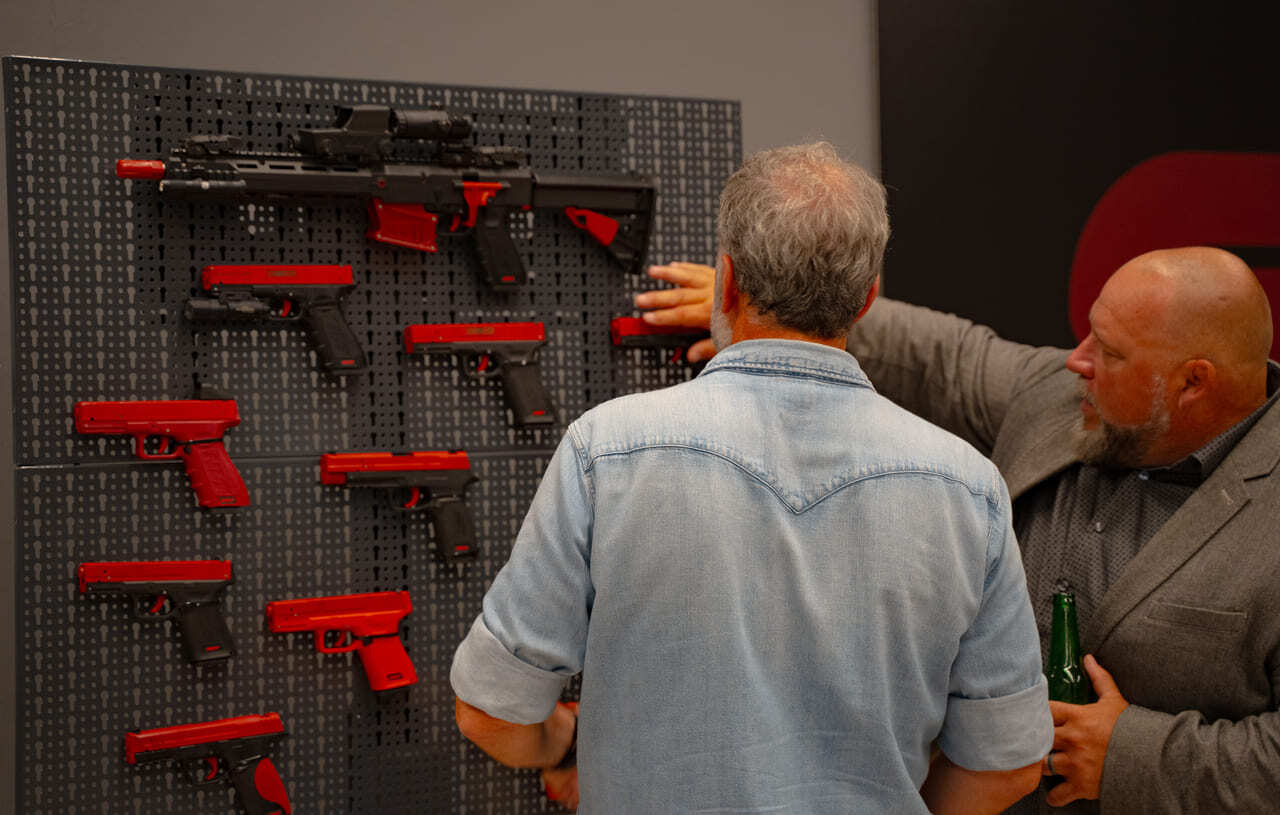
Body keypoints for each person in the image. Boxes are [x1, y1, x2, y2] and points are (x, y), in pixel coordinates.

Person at [450, 142, 1053, 814]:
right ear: (867, 298)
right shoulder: (968, 489)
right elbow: (1009, 762)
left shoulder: (607, 452)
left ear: (728, 280)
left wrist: (564, 746)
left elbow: (490, 710)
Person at [635, 246, 1280, 813]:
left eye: (1109, 354)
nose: (1077, 361)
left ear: (1193, 383)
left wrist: (1132, 757)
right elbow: (948, 359)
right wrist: (784, 317)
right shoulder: (1060, 394)